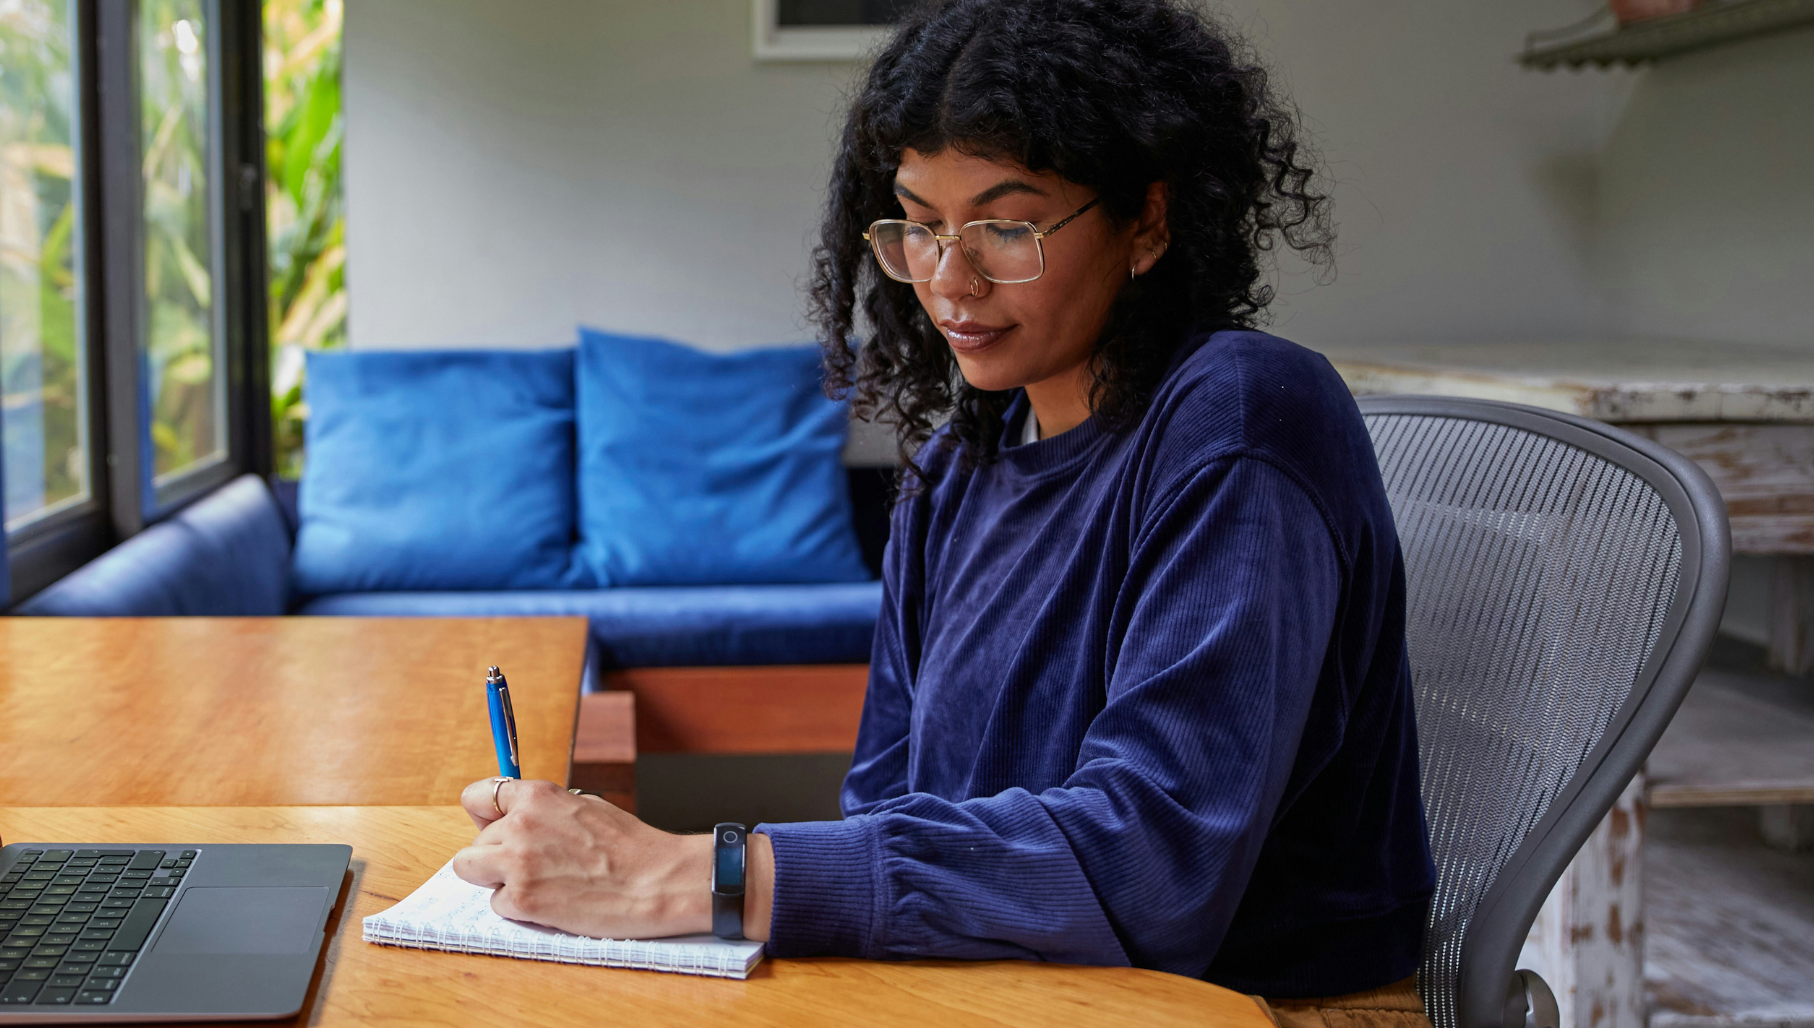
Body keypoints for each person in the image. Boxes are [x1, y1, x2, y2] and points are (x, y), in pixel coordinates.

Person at [449, 0, 1436, 1022]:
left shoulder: (1237, 415)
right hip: (1015, 989)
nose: (951, 281)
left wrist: (698, 873)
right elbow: (888, 801)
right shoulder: (961, 464)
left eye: (1007, 228)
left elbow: (1150, 868)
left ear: (1148, 220)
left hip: (1252, 1005)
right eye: (919, 226)